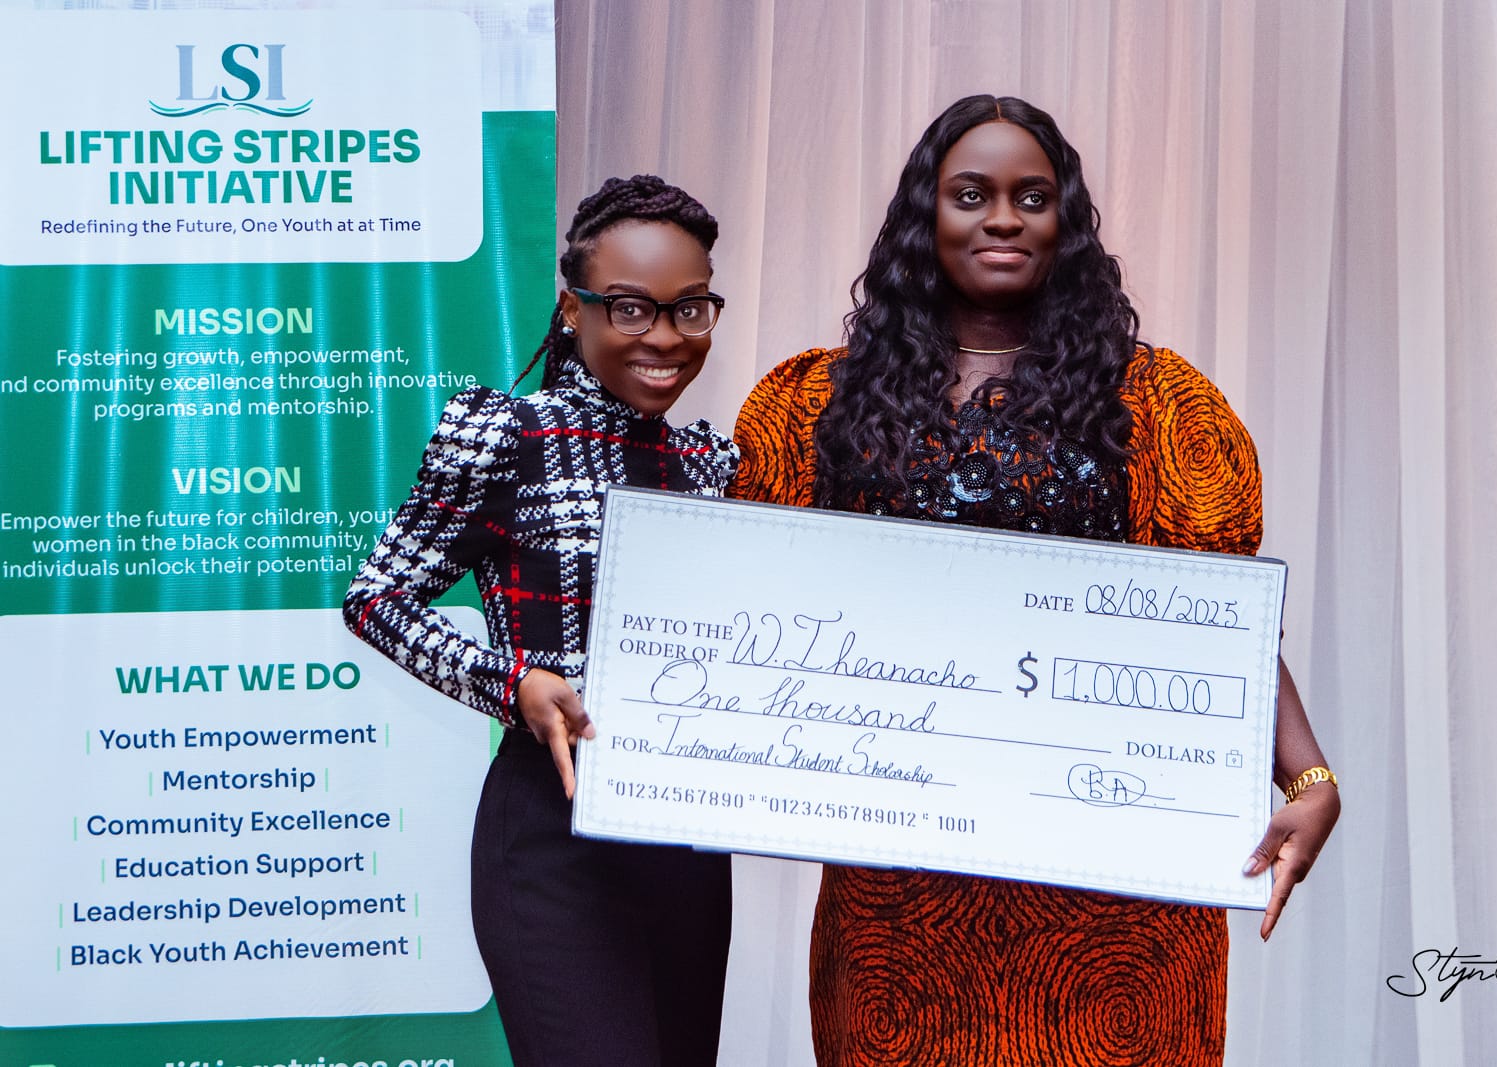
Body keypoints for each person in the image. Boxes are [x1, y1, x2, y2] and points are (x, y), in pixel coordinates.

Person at [730, 95, 1340, 1065]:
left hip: (1111, 908)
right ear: (925, 216)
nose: (1003, 218)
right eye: (971, 194)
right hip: (903, 907)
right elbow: (758, 622)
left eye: (1032, 197)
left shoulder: (1155, 403)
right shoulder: (823, 404)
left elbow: (1213, 625)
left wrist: (1307, 775)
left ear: (1067, 221)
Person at [344, 174, 738, 1067]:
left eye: (690, 309)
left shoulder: (711, 463)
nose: (665, 337)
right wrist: (511, 682)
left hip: (686, 846)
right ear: (572, 310)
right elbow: (375, 598)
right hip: (554, 842)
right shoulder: (507, 438)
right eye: (630, 308)